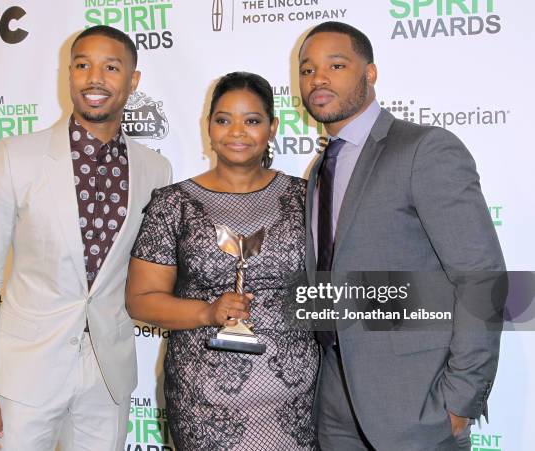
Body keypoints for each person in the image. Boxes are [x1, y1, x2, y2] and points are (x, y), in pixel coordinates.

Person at [0, 25, 171, 451]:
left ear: (133, 81)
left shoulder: (155, 170)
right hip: (23, 375)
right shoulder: (13, 157)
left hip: (108, 377)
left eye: (111, 67)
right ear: (69, 74)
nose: (95, 78)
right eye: (82, 65)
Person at [299, 22, 506, 451]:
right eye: (307, 70)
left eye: (336, 65)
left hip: (416, 404)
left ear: (370, 73)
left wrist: (460, 400)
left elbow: (481, 277)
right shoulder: (319, 171)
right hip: (334, 402)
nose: (318, 78)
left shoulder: (424, 149)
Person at [126, 72, 319, 450]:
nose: (237, 132)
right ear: (208, 126)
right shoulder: (173, 205)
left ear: (272, 127)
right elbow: (141, 298)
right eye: (223, 119)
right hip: (206, 406)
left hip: (296, 402)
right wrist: (207, 313)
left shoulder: (306, 197)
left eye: (252, 120)